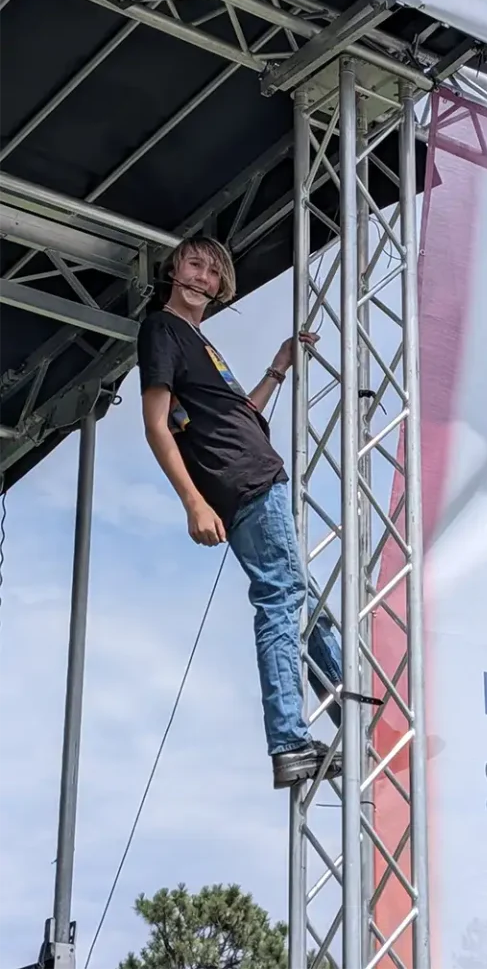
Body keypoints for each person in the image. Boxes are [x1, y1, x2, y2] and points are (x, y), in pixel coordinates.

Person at [136, 235, 343, 789]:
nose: (203, 278)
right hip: (245, 484)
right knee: (284, 601)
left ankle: (351, 713)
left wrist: (277, 368)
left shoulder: (197, 342)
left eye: (212, 272)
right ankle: (292, 741)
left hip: (251, 476)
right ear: (173, 271)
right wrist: (193, 501)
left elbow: (235, 415)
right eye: (194, 266)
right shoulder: (163, 329)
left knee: (298, 599)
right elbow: (157, 424)